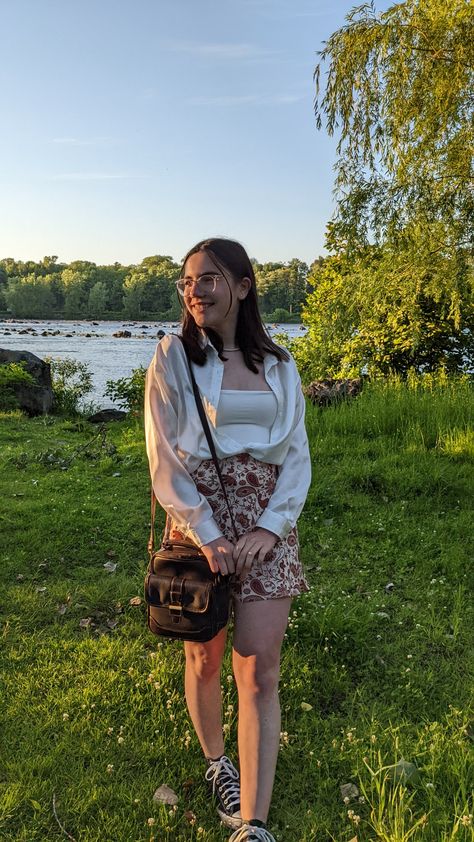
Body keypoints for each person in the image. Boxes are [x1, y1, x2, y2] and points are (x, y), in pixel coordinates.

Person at [144, 238, 311, 842]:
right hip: (199, 524)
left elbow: (296, 454)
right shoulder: (171, 357)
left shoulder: (282, 365)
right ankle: (220, 764)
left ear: (243, 286)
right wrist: (209, 535)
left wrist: (271, 527)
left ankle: (253, 824)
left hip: (270, 525)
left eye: (210, 279)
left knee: (260, 670)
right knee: (204, 655)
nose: (196, 291)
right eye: (188, 281)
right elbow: (164, 458)